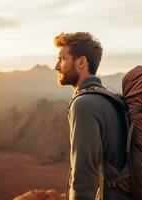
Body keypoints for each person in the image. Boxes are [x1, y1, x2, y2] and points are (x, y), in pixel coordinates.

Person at [54, 32, 130, 200]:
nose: (57, 66)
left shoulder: (84, 105)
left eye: (62, 59)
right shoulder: (110, 97)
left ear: (81, 62)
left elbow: (84, 172)